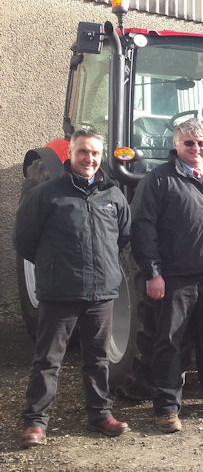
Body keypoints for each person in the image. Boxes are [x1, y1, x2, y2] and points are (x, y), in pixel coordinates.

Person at [131, 119, 203, 434]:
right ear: (176, 145)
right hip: (175, 278)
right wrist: (153, 273)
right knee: (170, 342)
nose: (196, 149)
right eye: (189, 143)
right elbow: (143, 228)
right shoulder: (158, 181)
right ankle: (167, 409)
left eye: (201, 143)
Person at [14, 129, 131, 447]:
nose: (89, 159)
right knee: (48, 359)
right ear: (71, 154)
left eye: (94, 153)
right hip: (60, 292)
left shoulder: (113, 196)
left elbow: (122, 238)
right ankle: (36, 422)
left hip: (101, 292)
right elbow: (24, 242)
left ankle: (100, 414)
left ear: (101, 155)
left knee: (97, 357)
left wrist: (104, 270)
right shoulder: (47, 194)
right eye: (82, 152)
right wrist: (53, 268)